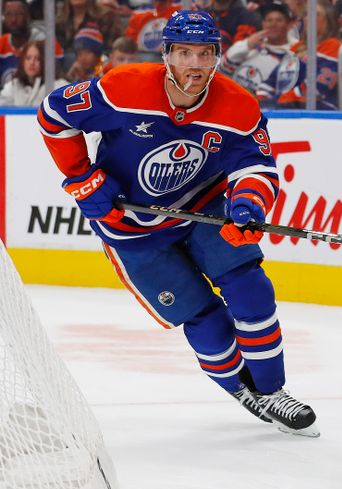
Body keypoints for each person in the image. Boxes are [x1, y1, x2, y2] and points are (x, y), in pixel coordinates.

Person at [37, 10, 319, 437]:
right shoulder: (122, 88)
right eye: (184, 53)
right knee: (203, 317)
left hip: (203, 207)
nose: (194, 64)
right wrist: (81, 177)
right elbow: (53, 114)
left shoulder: (238, 106)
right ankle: (243, 389)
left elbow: (257, 167)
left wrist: (246, 205)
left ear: (218, 58)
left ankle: (273, 390)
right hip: (130, 229)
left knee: (250, 286)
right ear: (166, 55)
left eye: (204, 54)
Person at [221, 2, 296, 107]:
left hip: (261, 108)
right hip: (231, 101)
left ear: (288, 24)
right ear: (263, 24)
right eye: (269, 20)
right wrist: (247, 44)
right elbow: (223, 67)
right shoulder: (251, 46)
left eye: (279, 20)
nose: (273, 24)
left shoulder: (294, 53)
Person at [276, 0, 341, 110]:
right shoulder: (297, 47)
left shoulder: (334, 46)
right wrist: (263, 96)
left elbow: (319, 87)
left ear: (329, 20)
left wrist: (283, 99)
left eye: (315, 14)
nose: (308, 18)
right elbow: (275, 77)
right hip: (286, 104)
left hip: (321, 109)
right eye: (306, 14)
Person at [0, 40, 69, 106]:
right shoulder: (14, 86)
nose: (32, 62)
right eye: (28, 58)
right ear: (22, 62)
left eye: (37, 58)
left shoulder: (59, 86)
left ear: (45, 61)